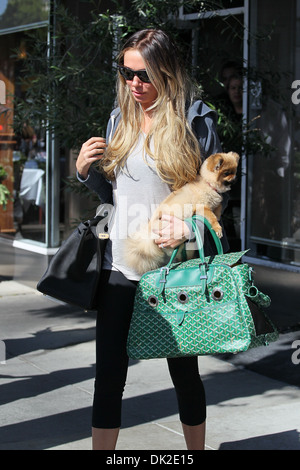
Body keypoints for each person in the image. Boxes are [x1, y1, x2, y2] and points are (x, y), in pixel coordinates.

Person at [76, 29, 226, 450]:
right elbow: (117, 195)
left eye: (145, 75)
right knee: (108, 374)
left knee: (184, 373)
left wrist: (190, 227)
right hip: (121, 265)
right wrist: (86, 173)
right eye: (127, 73)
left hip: (174, 268)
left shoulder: (196, 119)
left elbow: (214, 196)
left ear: (168, 73)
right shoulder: (118, 118)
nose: (135, 84)